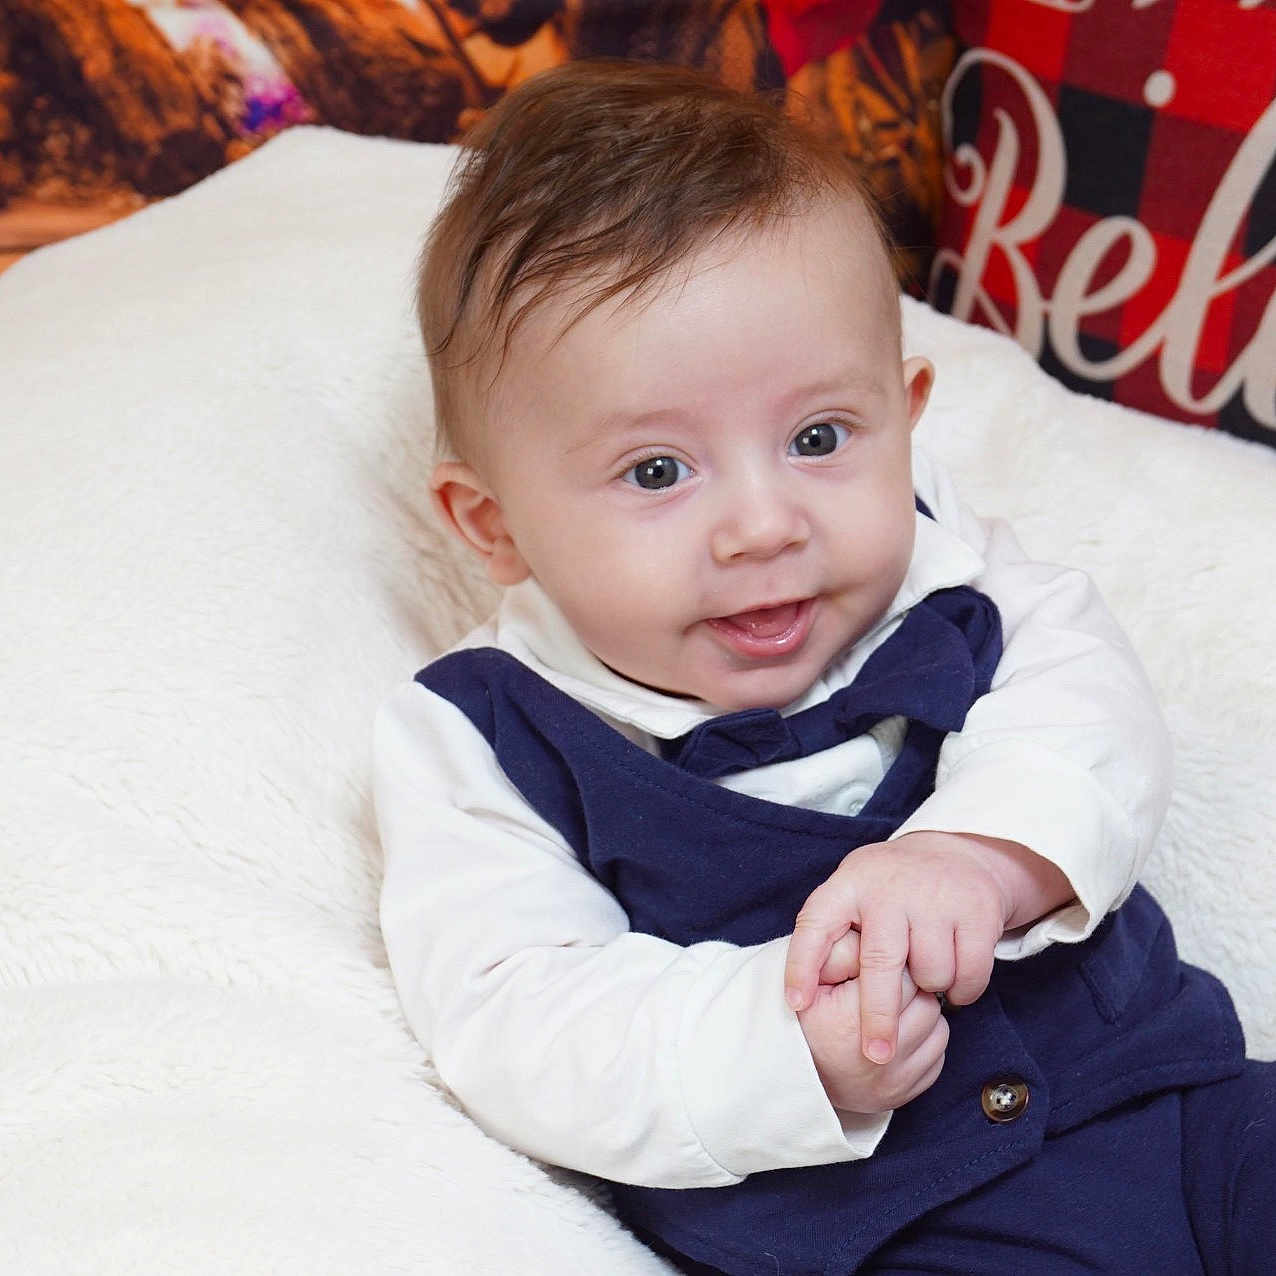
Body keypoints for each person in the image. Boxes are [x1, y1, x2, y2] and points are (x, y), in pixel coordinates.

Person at [374, 60, 1273, 1273]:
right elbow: (521, 1019)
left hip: (1171, 1103)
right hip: (895, 1223)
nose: (762, 525)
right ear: (491, 525)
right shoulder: (486, 737)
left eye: (816, 439)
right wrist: (785, 1046)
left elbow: (1085, 704)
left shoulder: (940, 574)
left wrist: (979, 854)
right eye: (655, 472)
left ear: (902, 415)